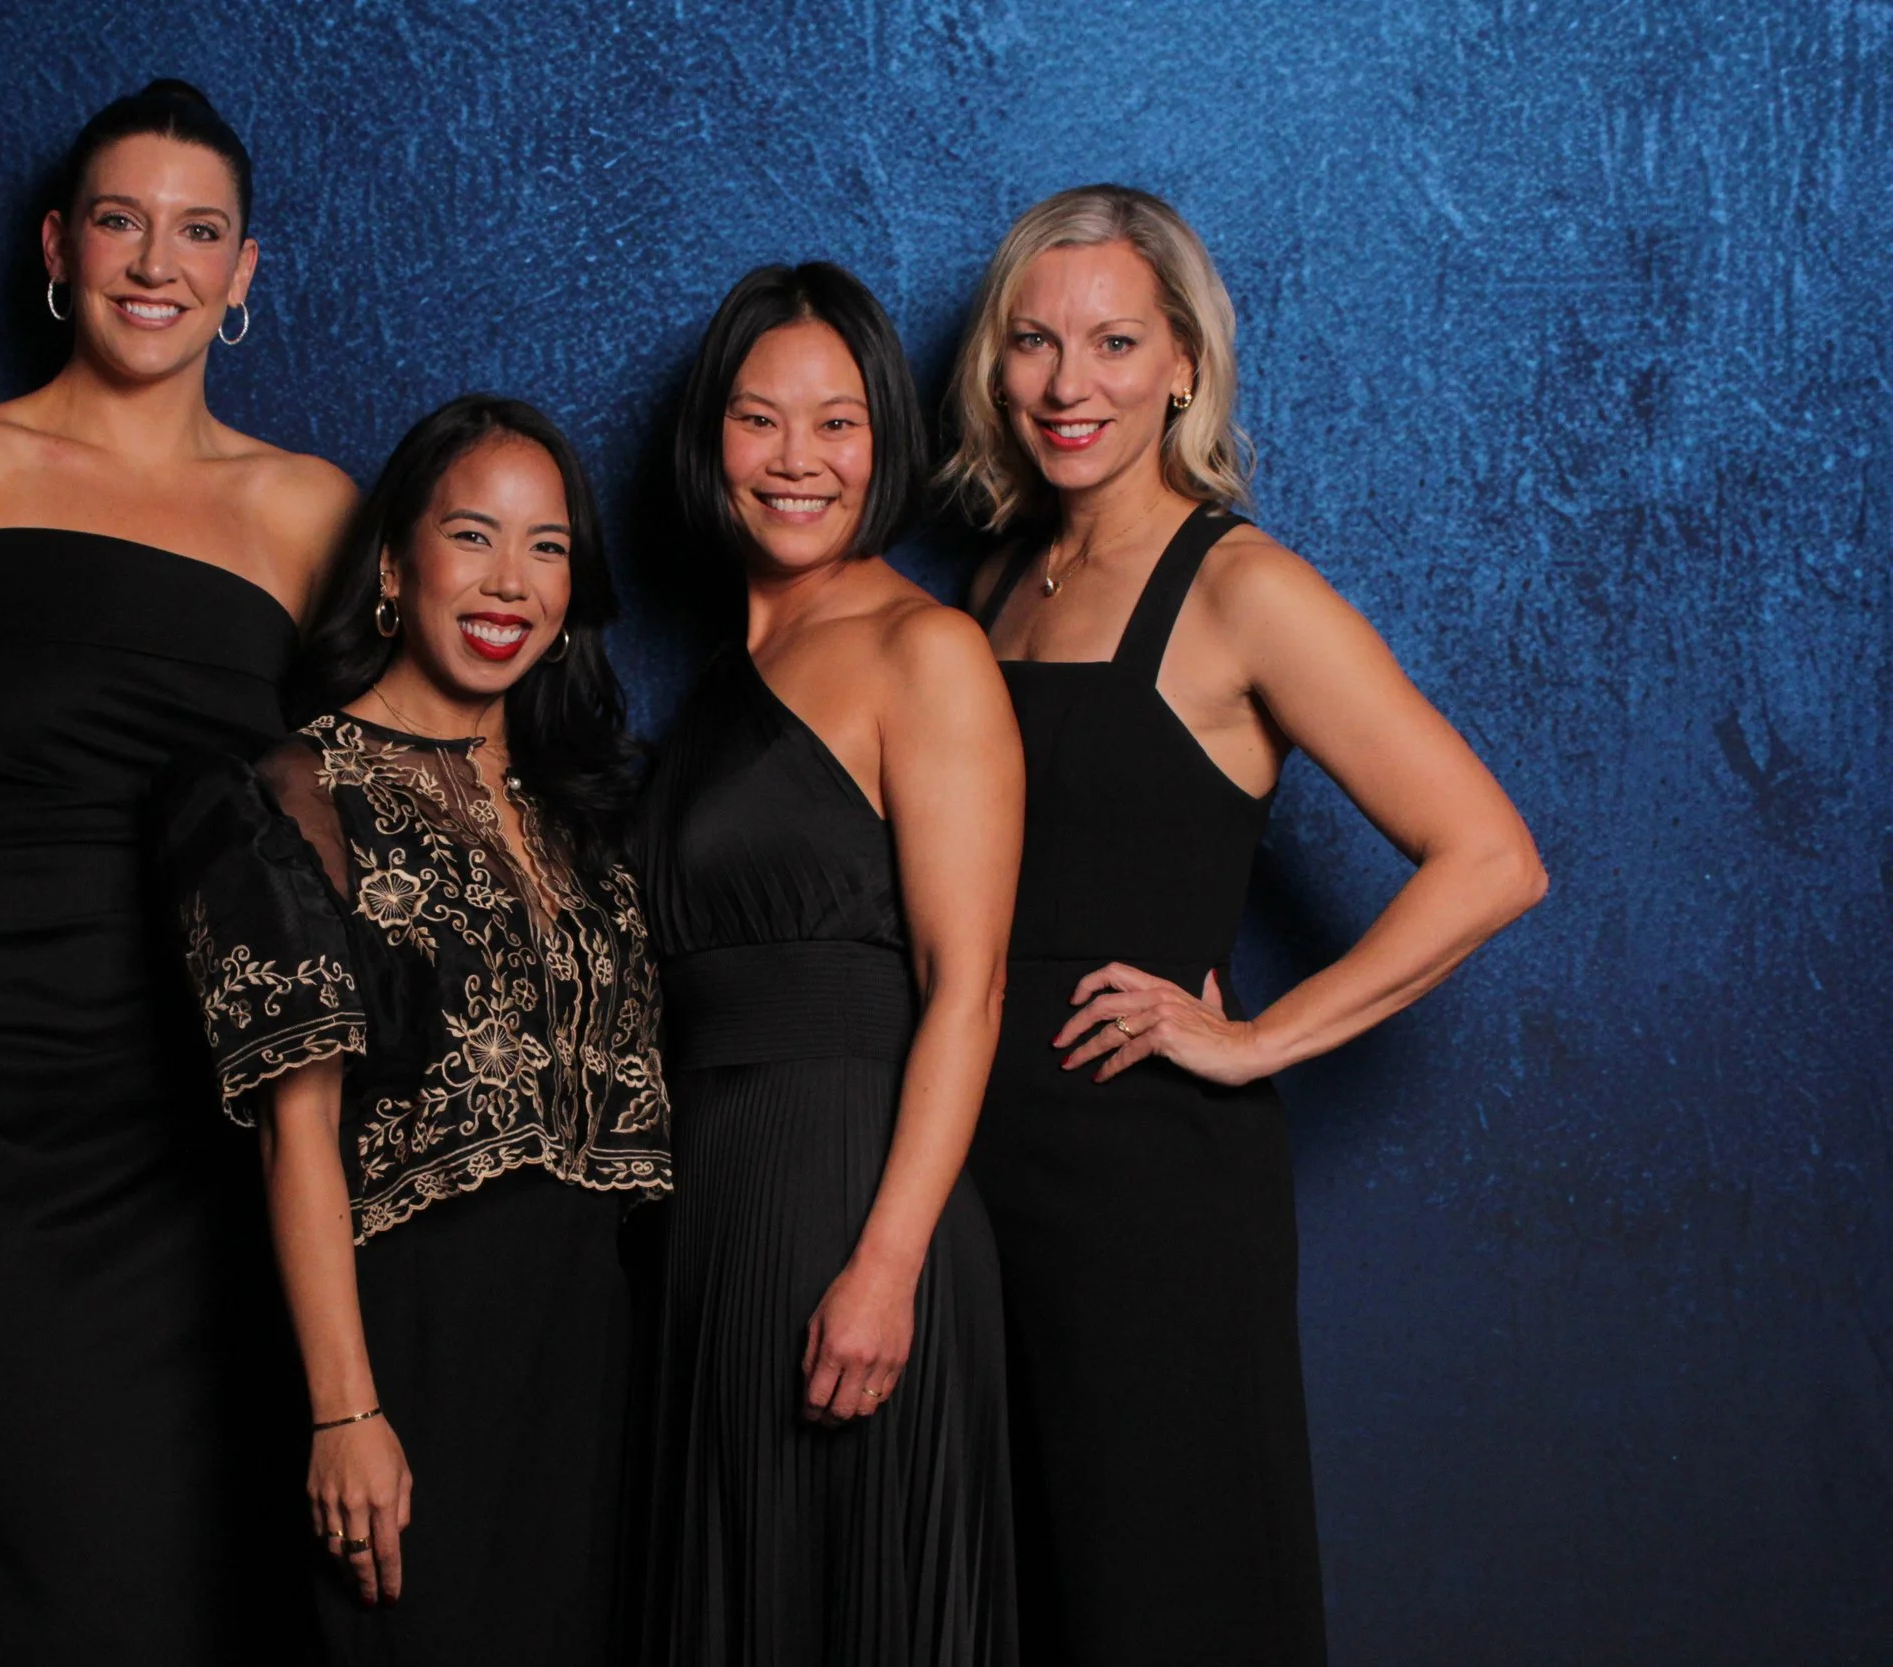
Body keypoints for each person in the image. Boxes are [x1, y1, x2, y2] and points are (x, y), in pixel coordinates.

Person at [946, 184, 1550, 1665]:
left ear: (1184, 367)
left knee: (1169, 1589)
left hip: (1150, 1190)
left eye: (1112, 341)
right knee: (1032, 1601)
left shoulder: (1243, 587)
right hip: (979, 1177)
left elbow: (1490, 856)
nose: (1068, 383)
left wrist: (1256, 1036)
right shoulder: (997, 588)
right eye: (1034, 341)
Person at [0, 80, 354, 1663]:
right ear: (60, 244)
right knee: (29, 1516)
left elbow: (345, 820)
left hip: (203, 1097)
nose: (154, 262)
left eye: (198, 232)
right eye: (121, 220)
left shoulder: (307, 510)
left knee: (189, 1548)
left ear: (245, 272)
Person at [163, 394, 673, 1664]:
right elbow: (297, 1137)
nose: (512, 581)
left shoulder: (592, 811)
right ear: (394, 563)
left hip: (584, 1350)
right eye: (474, 536)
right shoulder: (288, 792)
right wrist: (345, 1408)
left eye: (548, 546)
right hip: (406, 1334)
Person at [636, 263, 1024, 1666]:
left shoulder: (927, 650)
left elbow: (967, 983)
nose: (796, 460)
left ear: (888, 442)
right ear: (710, 439)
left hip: (851, 1192)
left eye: (838, 423)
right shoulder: (711, 682)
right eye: (758, 419)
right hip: (709, 1202)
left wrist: (888, 1260)